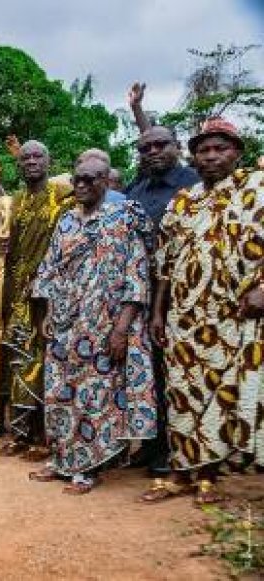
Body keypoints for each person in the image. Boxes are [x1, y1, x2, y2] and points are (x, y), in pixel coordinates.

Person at [142, 118, 263, 505]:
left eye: (219, 149)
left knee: (221, 396)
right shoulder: (184, 201)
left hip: (234, 317)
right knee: (181, 396)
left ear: (237, 152)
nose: (211, 157)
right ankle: (182, 472)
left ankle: (209, 476)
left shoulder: (256, 191)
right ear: (193, 156)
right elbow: (165, 263)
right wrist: (158, 312)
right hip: (185, 319)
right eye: (203, 150)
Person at [27, 158, 157, 494]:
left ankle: (89, 467)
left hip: (104, 325)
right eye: (77, 179)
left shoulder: (125, 217)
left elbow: (137, 274)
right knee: (59, 392)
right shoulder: (67, 221)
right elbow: (50, 269)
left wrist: (121, 329)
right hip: (66, 322)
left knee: (96, 397)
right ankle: (62, 459)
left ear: (105, 181)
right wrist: (47, 314)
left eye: (89, 179)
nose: (81, 185)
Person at [122, 125, 201, 477]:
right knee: (149, 370)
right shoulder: (136, 189)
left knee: (180, 371)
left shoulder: (195, 184)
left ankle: (180, 449)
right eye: (145, 148)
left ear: (177, 146)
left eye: (160, 145)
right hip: (142, 292)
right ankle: (152, 445)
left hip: (186, 291)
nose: (152, 152)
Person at [0, 140, 76, 460]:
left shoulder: (63, 200)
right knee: (18, 362)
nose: (31, 161)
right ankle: (20, 432)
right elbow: (5, 246)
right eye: (26, 157)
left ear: (49, 161)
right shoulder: (11, 203)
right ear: (19, 164)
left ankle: (45, 436)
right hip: (17, 295)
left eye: (38, 156)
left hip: (50, 295)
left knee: (47, 364)